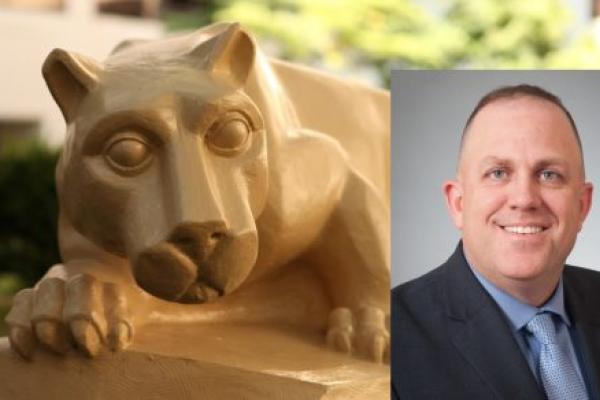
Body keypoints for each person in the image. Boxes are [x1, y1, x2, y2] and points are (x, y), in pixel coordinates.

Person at [392, 84, 600, 400]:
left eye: (549, 175)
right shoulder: (392, 338)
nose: (524, 199)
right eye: (498, 172)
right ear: (458, 204)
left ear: (582, 205)